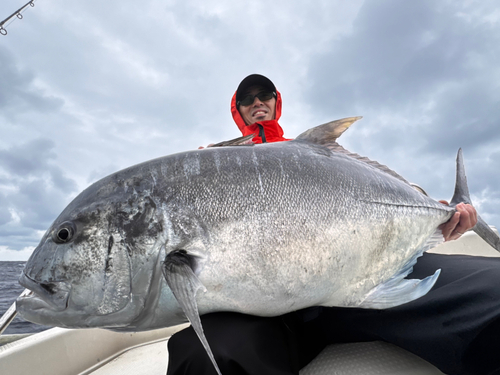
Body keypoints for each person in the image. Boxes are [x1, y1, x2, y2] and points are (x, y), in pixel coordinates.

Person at [167, 74, 499, 375]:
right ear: (237, 110)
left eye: (264, 94)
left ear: (275, 102)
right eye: (247, 98)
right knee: (203, 360)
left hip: (364, 273)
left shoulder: (317, 158)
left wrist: (436, 213)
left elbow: (381, 196)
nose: (256, 102)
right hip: (265, 309)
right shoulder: (211, 163)